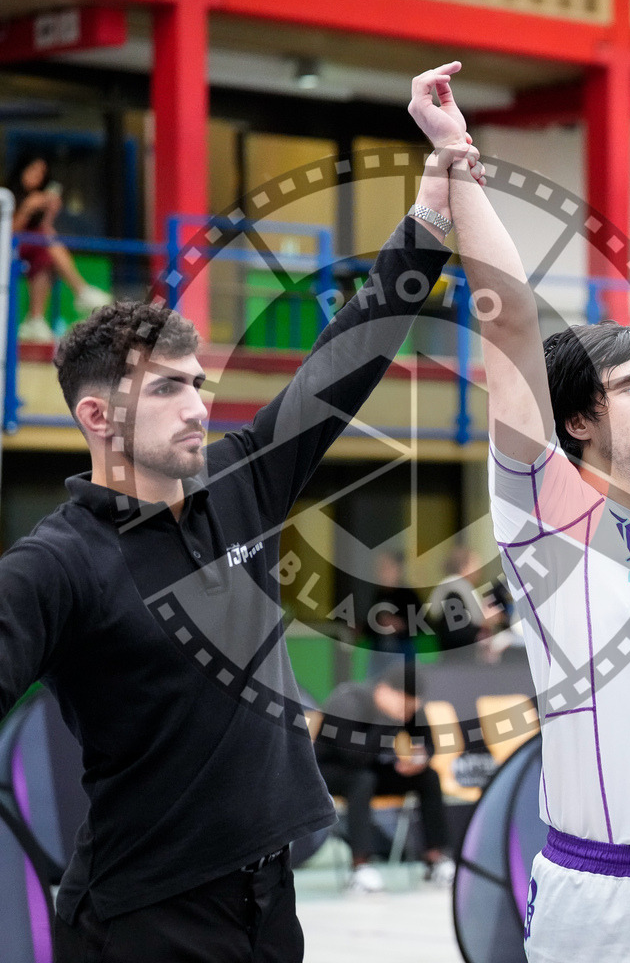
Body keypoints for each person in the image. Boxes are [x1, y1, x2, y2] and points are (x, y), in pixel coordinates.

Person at [0, 123, 483, 961]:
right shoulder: (56, 566)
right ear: (97, 416)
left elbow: (347, 353)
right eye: (167, 391)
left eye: (198, 385)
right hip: (144, 918)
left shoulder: (239, 483)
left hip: (269, 900)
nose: (197, 406)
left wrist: (429, 217)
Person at [408, 63, 630, 963]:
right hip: (610, 901)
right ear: (577, 419)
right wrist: (457, 165)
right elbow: (514, 328)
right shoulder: (546, 513)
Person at [314, 665, 454, 892]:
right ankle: (361, 867)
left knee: (428, 777)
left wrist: (420, 759)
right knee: (362, 780)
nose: (407, 715)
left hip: (372, 770)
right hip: (331, 772)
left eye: (412, 709)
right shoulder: (348, 701)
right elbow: (352, 757)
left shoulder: (406, 707)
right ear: (384, 691)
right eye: (405, 708)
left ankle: (436, 859)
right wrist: (387, 720)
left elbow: (428, 742)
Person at [5, 153, 111, 342]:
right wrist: (27, 208)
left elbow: (44, 230)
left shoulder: (38, 197)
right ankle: (81, 290)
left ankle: (36, 319)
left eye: (41, 172)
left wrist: (49, 212)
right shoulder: (6, 194)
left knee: (45, 254)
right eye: (33, 169)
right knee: (45, 242)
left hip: (32, 251)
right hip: (7, 249)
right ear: (22, 169)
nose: (36, 175)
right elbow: (9, 233)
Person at [428, 545, 504, 651]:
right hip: (457, 658)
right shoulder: (453, 592)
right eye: (475, 563)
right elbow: (457, 632)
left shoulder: (453, 589)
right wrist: (485, 620)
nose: (479, 568)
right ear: (464, 567)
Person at [363, 549, 423, 676]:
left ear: (397, 570)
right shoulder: (378, 594)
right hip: (378, 652)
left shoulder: (409, 595)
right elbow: (369, 625)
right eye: (379, 568)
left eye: (386, 568)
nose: (381, 573)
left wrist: (401, 624)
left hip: (402, 651)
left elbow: (421, 624)